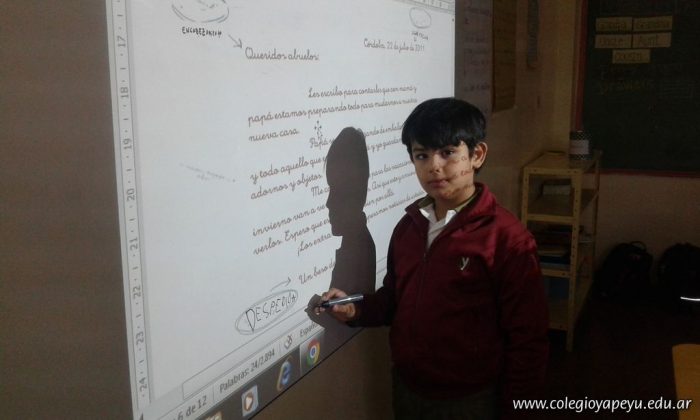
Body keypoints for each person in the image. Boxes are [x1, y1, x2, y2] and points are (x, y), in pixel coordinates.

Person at [316, 98, 548, 419]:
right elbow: (394, 299)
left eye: (448, 152)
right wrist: (356, 309)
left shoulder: (507, 239)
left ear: (477, 155)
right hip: (408, 386)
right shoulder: (409, 227)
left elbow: (528, 341)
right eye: (422, 155)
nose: (434, 166)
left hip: (471, 399)